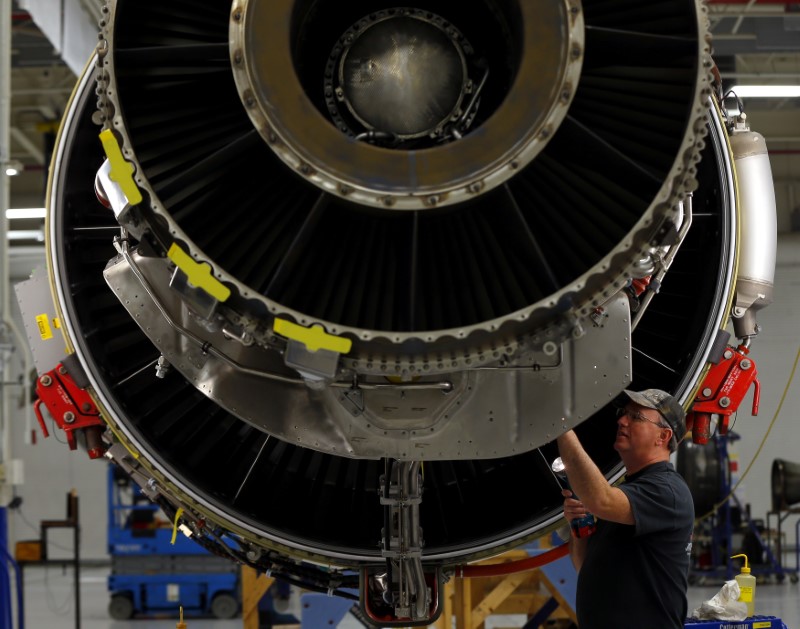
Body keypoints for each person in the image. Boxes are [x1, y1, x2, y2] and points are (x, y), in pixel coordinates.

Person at [556, 388, 694, 629]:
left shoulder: (666, 491)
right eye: (623, 413)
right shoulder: (630, 493)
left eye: (636, 417)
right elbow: (584, 566)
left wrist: (559, 425)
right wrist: (578, 528)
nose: (621, 420)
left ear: (663, 437)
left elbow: (601, 500)